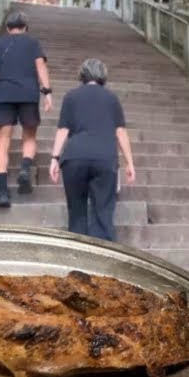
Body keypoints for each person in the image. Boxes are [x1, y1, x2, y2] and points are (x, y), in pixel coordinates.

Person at [48, 58, 136, 242]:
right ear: (103, 76)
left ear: (82, 75)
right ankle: (102, 256)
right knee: (103, 211)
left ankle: (79, 258)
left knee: (76, 211)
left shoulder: (71, 96)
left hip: (74, 158)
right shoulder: (111, 98)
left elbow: (63, 130)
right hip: (104, 158)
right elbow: (120, 132)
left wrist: (55, 158)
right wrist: (130, 162)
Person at [0, 11, 52, 208]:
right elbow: (41, 67)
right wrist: (47, 92)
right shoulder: (32, 43)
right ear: (25, 27)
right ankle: (24, 168)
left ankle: (3, 192)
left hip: (4, 94)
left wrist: (1, 78)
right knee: (29, 137)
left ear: (7, 28)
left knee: (2, 140)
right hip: (28, 94)